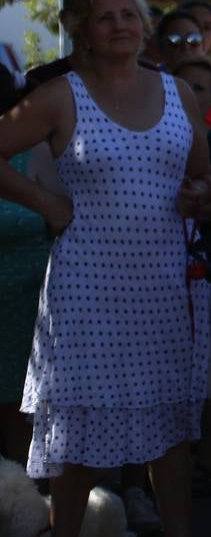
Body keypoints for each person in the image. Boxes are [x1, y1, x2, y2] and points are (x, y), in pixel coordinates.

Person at [0, 0, 211, 537]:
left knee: (169, 433)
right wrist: (45, 202)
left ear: (144, 26)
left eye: (128, 14)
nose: (120, 25)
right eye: (105, 17)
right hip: (86, 290)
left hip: (161, 285)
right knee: (77, 438)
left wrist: (200, 195)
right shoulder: (60, 94)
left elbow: (205, 179)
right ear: (84, 32)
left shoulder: (179, 92)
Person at [0, 66, 60, 464]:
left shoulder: (34, 152)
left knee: (22, 409)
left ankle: (29, 492)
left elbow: (63, 218)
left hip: (29, 303)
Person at [157, 9, 211, 137]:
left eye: (194, 40)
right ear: (161, 48)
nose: (185, 47)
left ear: (203, 45)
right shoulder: (152, 87)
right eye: (174, 40)